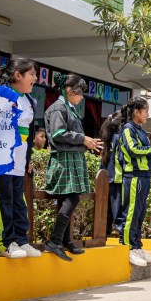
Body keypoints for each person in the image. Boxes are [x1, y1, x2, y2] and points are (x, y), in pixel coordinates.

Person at [43, 73, 103, 261]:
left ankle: (64, 240)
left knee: (66, 199)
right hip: (64, 158)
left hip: (71, 157)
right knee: (72, 198)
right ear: (69, 90)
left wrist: (85, 141)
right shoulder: (58, 108)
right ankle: (55, 240)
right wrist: (83, 139)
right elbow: (58, 133)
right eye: (80, 93)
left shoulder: (68, 108)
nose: (82, 97)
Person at [0, 58, 42, 258]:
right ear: (18, 75)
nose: (35, 78)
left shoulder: (28, 100)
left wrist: (28, 158)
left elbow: (29, 133)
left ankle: (21, 239)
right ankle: (4, 243)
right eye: (32, 74)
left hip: (19, 161)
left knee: (18, 201)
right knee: (2, 200)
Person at [117, 97, 151, 267]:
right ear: (136, 112)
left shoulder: (140, 130)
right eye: (146, 111)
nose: (148, 114)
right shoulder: (127, 129)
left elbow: (141, 151)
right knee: (131, 213)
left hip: (144, 176)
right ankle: (128, 247)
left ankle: (137, 246)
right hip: (133, 177)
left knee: (140, 213)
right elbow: (133, 149)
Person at [98, 112, 123, 240]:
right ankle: (122, 237)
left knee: (107, 211)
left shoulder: (106, 139)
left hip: (106, 178)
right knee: (118, 210)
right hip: (117, 179)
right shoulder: (119, 138)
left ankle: (104, 235)